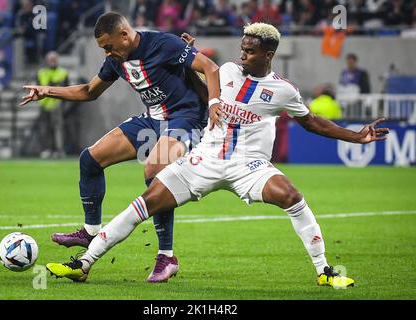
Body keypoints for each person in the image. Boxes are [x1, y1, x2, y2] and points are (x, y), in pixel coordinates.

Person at [45, 23, 389, 288]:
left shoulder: (283, 91)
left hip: (248, 167)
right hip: (204, 161)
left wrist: (356, 136)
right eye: (242, 49)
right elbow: (198, 91)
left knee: (292, 197)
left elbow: (312, 122)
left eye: (250, 51)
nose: (243, 56)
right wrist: (184, 62)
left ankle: (325, 271)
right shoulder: (225, 71)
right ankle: (84, 264)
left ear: (268, 55)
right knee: (145, 202)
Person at [20, 12, 221, 283]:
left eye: (108, 46)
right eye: (103, 48)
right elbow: (89, 91)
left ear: (124, 35)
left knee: (155, 173)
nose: (106, 52)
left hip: (185, 118)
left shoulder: (164, 44)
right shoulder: (115, 60)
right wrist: (47, 91)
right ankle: (91, 231)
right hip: (152, 120)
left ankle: (166, 256)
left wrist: (214, 105)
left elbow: (210, 67)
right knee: (90, 158)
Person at [37, 51, 69, 159]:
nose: (52, 62)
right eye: (50, 60)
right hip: (44, 104)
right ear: (47, 61)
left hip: (57, 105)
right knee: (45, 129)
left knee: (58, 128)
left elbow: (68, 89)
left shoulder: (63, 72)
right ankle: (47, 149)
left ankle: (59, 150)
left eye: (54, 59)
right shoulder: (41, 72)